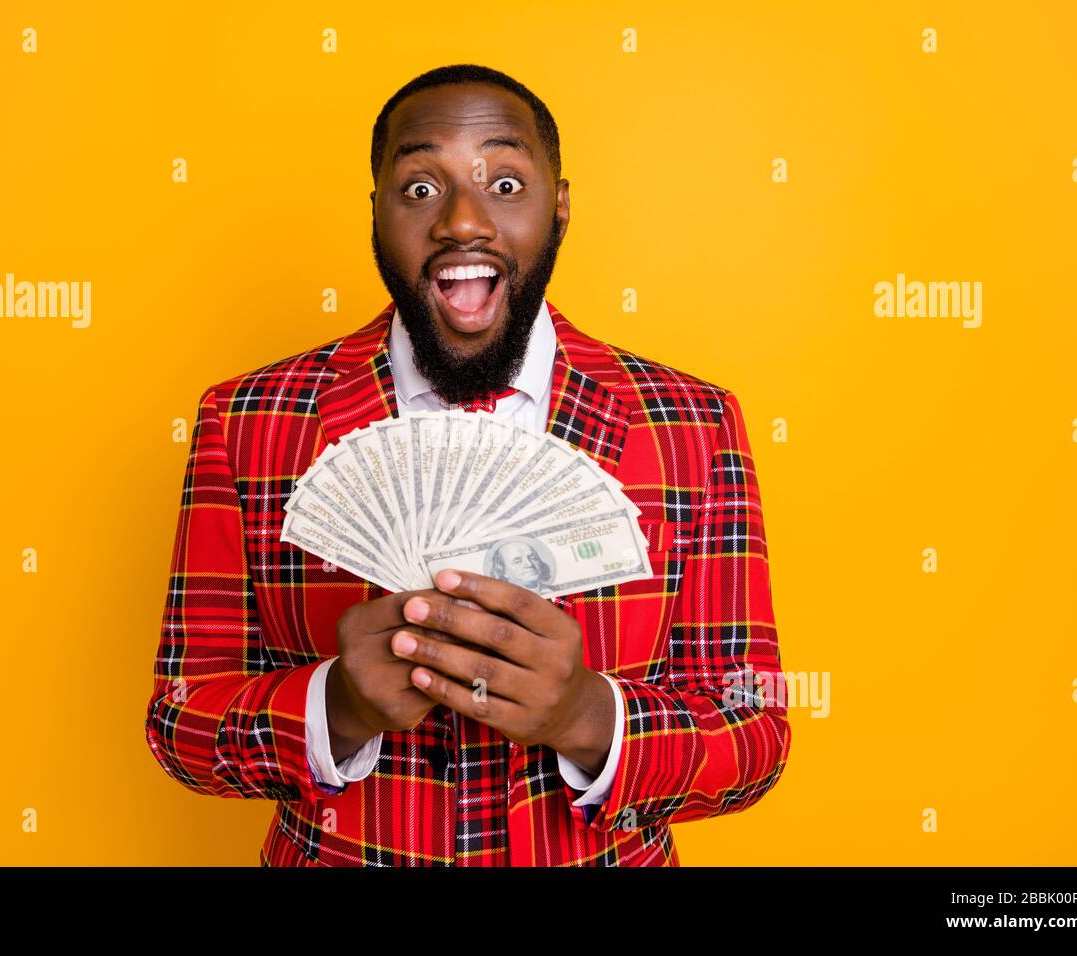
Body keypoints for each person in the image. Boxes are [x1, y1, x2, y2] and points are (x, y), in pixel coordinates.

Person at [145, 63, 791, 867]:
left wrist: (586, 716)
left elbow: (753, 726)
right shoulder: (248, 421)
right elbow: (181, 720)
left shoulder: (691, 423)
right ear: (375, 214)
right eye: (420, 188)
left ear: (561, 207)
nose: (461, 222)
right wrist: (332, 707)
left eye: (507, 182)